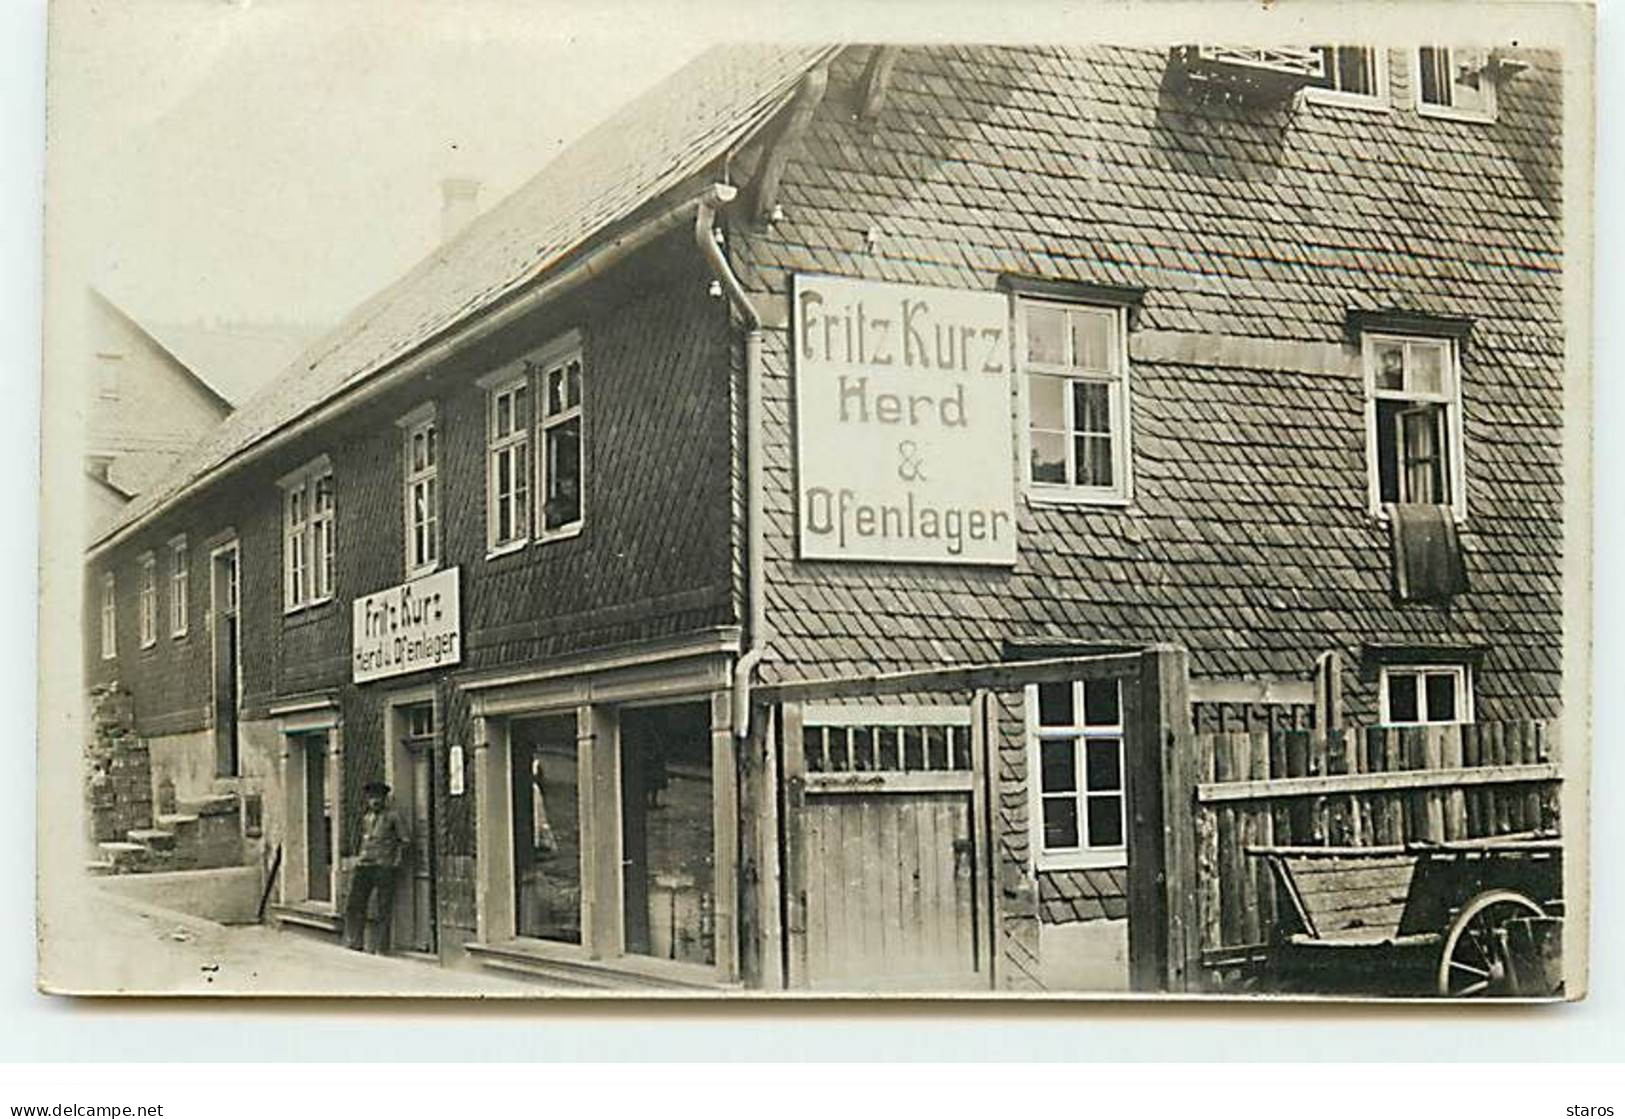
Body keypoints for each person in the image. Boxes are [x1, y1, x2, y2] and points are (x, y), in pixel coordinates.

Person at [343, 781, 409, 954]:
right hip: (365, 865)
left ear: (384, 799)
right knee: (355, 903)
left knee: (383, 907)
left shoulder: (393, 816)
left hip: (383, 866)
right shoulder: (366, 818)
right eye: (371, 798)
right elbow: (364, 841)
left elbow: (405, 841)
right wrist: (358, 859)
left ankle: (382, 947)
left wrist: (396, 863)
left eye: (378, 797)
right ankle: (355, 941)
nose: (375, 801)